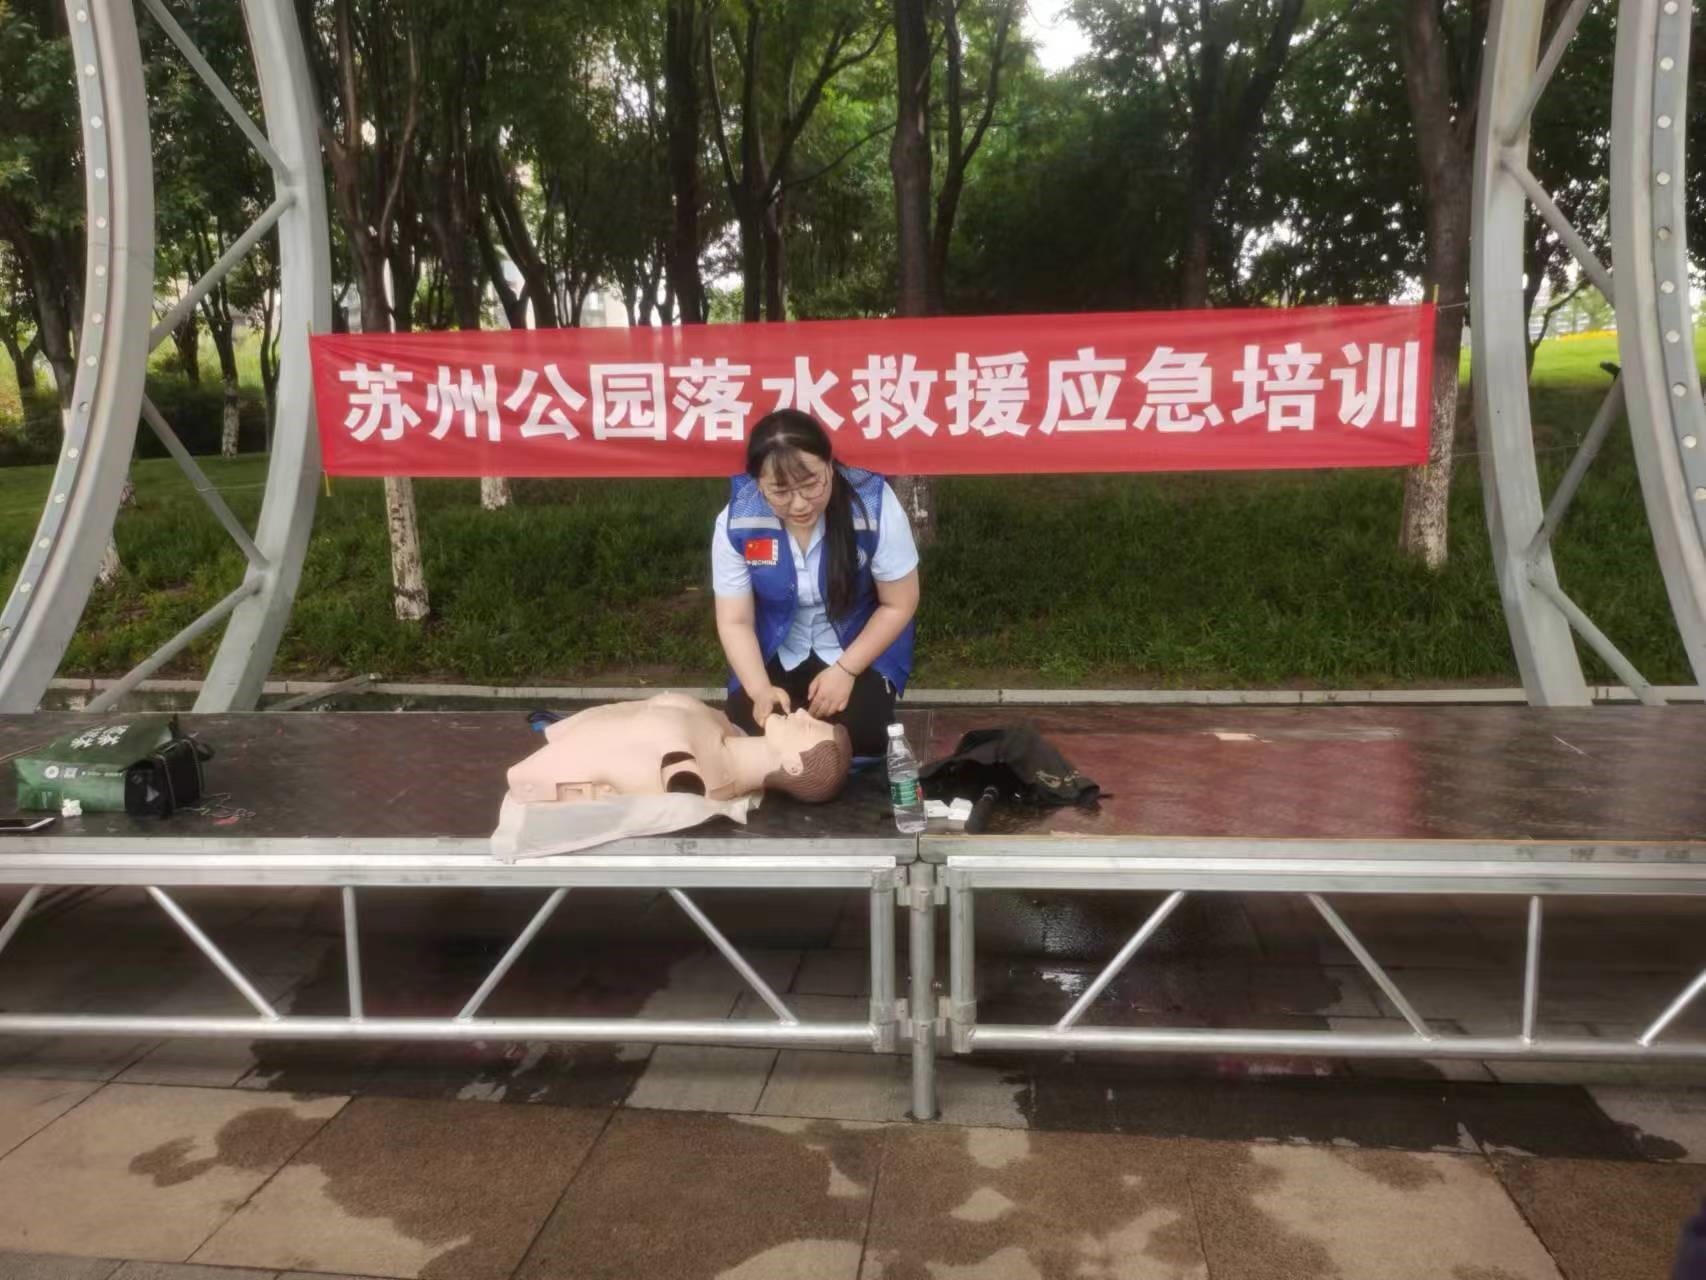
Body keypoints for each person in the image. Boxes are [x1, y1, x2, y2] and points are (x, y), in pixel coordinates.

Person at [711, 408, 920, 758]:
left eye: (811, 484)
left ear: (829, 465)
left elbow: (899, 603)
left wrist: (846, 670)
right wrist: (760, 690)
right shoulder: (738, 520)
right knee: (749, 737)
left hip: (855, 647)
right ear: (758, 484)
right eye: (780, 491)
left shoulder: (873, 504)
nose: (799, 504)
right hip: (776, 651)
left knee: (862, 737)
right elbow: (736, 620)